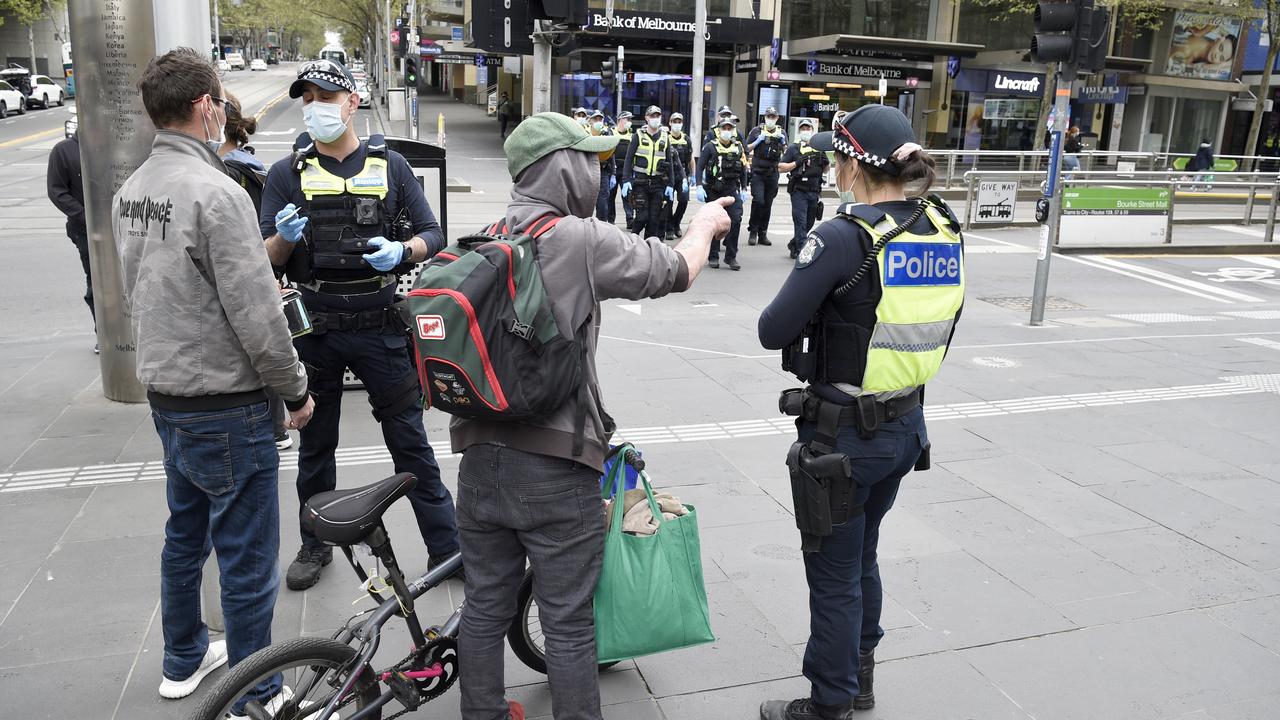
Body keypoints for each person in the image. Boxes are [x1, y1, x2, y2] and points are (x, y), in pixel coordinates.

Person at [451, 110, 732, 720]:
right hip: (555, 468)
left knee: (483, 607)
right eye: (590, 161)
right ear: (562, 169)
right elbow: (675, 270)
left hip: (477, 461)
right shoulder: (577, 239)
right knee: (571, 623)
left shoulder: (485, 237)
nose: (599, 173)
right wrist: (705, 224)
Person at [112, 47, 315, 713]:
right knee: (247, 559)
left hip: (168, 398)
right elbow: (258, 317)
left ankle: (183, 657)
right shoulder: (218, 194)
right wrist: (296, 391)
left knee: (184, 536)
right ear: (206, 107)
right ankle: (259, 690)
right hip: (228, 405)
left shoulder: (132, 192)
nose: (226, 110)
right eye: (222, 100)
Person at [756, 105, 964, 720]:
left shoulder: (847, 236)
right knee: (863, 552)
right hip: (905, 427)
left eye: (836, 157)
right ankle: (861, 677)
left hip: (844, 440)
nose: (831, 167)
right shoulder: (941, 226)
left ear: (854, 166)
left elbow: (773, 329)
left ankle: (830, 703)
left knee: (834, 575)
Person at [259, 59, 460, 591]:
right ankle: (314, 543)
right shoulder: (286, 174)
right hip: (317, 330)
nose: (316, 107)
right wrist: (282, 237)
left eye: (326, 96)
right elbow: (265, 259)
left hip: (379, 326)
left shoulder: (389, 166)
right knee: (316, 445)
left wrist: (402, 250)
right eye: (308, 99)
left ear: (351, 102)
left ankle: (447, 547)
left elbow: (432, 233)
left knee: (410, 443)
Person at [216, 91, 295, 452]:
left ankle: (275, 425)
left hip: (246, 273)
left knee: (254, 344)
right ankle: (277, 424)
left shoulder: (224, 172)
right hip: (265, 269)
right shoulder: (251, 165)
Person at [46, 119, 94, 352]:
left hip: (117, 225)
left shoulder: (106, 147)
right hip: (84, 230)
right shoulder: (63, 151)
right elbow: (57, 191)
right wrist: (85, 216)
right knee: (95, 283)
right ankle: (102, 333)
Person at [694, 116, 749, 270]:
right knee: (714, 223)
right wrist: (699, 185)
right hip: (714, 190)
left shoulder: (738, 147)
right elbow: (700, 167)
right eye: (723, 128)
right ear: (718, 130)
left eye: (729, 128)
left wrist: (744, 188)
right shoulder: (710, 147)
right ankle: (713, 255)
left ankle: (731, 257)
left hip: (732, 189)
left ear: (733, 130)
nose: (726, 131)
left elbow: (744, 169)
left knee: (736, 220)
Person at [621, 105, 678, 239]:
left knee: (654, 220)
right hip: (641, 183)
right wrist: (626, 180)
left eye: (657, 116)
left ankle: (648, 248)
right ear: (646, 118)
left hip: (658, 184)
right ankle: (632, 241)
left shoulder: (665, 137)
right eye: (652, 116)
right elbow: (628, 160)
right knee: (642, 217)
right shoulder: (637, 136)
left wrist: (671, 184)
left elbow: (670, 163)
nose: (655, 119)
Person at [778, 118, 829, 260]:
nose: (806, 131)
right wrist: (797, 162)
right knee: (800, 220)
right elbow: (781, 167)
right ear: (799, 131)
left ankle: (794, 244)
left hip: (814, 190)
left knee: (810, 221)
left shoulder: (818, 148)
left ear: (812, 131)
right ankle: (801, 250)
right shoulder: (794, 148)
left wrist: (826, 163)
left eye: (808, 128)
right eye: (803, 129)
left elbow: (824, 171)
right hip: (799, 190)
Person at [746, 106, 787, 247]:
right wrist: (758, 141)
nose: (770, 119)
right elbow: (746, 148)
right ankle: (753, 231)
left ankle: (763, 233)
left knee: (768, 204)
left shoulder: (781, 132)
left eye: (773, 117)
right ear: (764, 117)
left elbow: (787, 151)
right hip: (758, 172)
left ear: (777, 118)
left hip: (772, 173)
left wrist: (783, 143)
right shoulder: (756, 131)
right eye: (768, 116)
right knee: (758, 201)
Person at [665, 111, 694, 240]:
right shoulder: (665, 137)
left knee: (683, 201)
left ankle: (676, 223)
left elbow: (690, 158)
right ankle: (669, 228)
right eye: (674, 121)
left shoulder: (686, 139)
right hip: (668, 175)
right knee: (668, 203)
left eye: (679, 122)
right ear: (670, 123)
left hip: (682, 175)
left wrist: (693, 175)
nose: (677, 124)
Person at [587, 108, 618, 221]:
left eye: (600, 119)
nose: (598, 121)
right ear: (590, 120)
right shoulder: (585, 133)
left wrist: (613, 173)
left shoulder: (607, 133)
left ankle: (602, 223)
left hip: (603, 170)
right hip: (588, 170)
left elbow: (612, 153)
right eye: (596, 119)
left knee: (603, 201)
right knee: (587, 200)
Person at [610, 111, 635, 225]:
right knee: (610, 196)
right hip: (613, 170)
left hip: (626, 171)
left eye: (630, 119)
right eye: (627, 119)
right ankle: (610, 221)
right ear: (620, 120)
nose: (629, 122)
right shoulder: (611, 133)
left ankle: (630, 219)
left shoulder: (632, 135)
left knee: (628, 196)